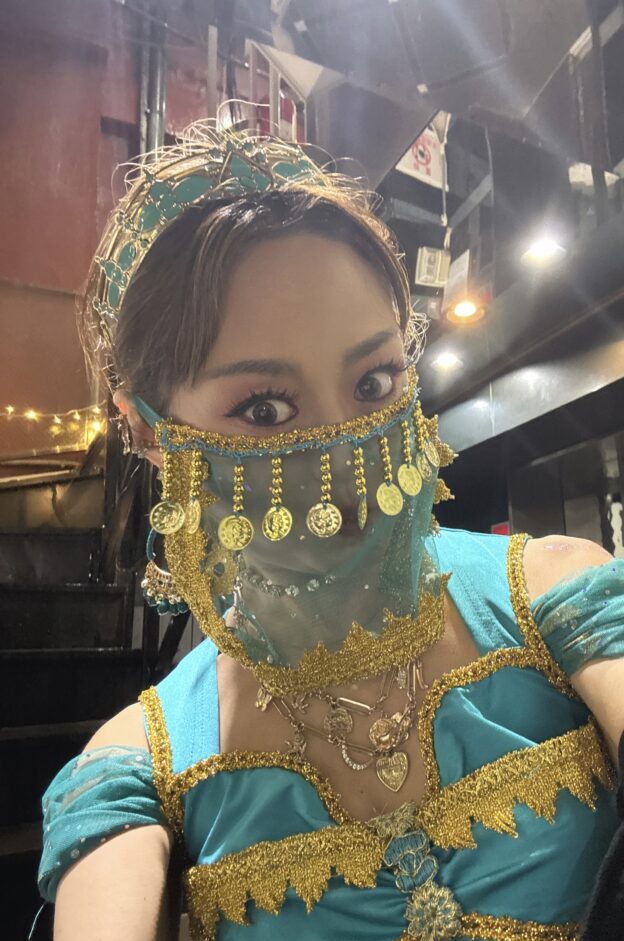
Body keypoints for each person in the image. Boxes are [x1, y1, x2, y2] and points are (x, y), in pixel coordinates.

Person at [38, 122, 624, 941]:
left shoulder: (557, 596)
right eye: (265, 408)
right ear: (149, 429)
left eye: (373, 381)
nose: (345, 457)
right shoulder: (143, 764)